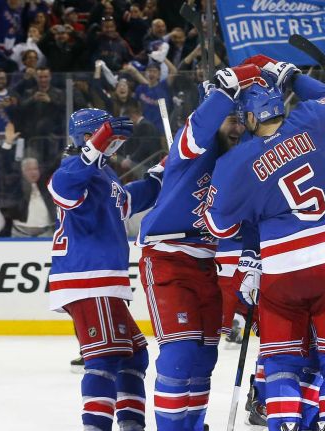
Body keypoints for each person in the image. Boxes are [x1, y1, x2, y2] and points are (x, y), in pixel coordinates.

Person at [202, 55, 325, 431]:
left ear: (249, 118)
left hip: (280, 268)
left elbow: (217, 226)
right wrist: (294, 77)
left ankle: (283, 424)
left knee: (280, 359)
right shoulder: (315, 118)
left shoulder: (235, 162)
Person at [137, 68, 248, 430]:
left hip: (209, 266)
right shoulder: (192, 145)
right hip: (169, 257)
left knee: (204, 358)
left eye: (241, 120)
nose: (237, 128)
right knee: (180, 353)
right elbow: (199, 129)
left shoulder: (243, 159)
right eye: (231, 119)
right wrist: (228, 87)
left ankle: (192, 426)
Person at [47, 108, 162, 431]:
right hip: (88, 278)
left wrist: (159, 176)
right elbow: (62, 186)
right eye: (107, 137)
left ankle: (130, 425)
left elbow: (126, 201)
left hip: (102, 281)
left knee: (135, 354)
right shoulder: (74, 167)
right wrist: (96, 146)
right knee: (106, 358)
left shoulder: (104, 175)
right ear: (87, 138)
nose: (115, 145)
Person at [10, 157, 56, 237]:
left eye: (35, 169)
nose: (33, 172)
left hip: (46, 233)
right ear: (22, 171)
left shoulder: (48, 186)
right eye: (29, 169)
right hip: (20, 234)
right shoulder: (15, 187)